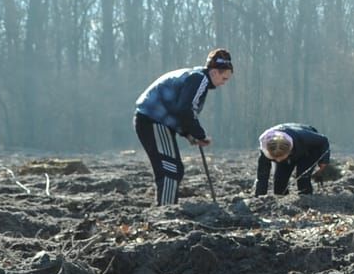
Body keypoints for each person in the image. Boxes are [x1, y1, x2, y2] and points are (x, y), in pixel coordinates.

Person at [134, 49, 234, 205]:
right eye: (224, 78)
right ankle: (165, 213)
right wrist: (200, 135)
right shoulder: (200, 79)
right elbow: (185, 111)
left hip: (155, 121)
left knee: (174, 169)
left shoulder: (195, 77)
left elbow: (180, 111)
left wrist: (189, 135)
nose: (224, 82)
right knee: (170, 170)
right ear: (214, 72)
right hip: (153, 120)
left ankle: (165, 207)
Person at [255, 124, 331, 196]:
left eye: (280, 157)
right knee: (279, 181)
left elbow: (324, 140)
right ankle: (282, 199)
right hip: (289, 151)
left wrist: (324, 162)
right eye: (274, 157)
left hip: (309, 150)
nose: (277, 160)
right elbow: (262, 176)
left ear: (289, 151)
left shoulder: (304, 137)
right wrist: (260, 197)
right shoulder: (266, 149)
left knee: (303, 178)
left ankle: (306, 199)